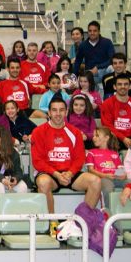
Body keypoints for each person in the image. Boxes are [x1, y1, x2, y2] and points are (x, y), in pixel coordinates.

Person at [30, 98, 101, 234]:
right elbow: (37, 161)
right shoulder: (39, 131)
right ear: (49, 113)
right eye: (54, 110)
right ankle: (53, 223)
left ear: (66, 112)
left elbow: (79, 158)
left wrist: (70, 173)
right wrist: (56, 174)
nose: (58, 114)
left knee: (95, 181)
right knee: (43, 182)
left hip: (70, 173)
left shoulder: (74, 132)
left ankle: (80, 225)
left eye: (61, 110)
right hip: (50, 174)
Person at [101, 74, 131, 149]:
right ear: (114, 87)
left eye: (125, 84)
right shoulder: (107, 103)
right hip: (114, 138)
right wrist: (123, 138)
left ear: (130, 86)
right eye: (119, 84)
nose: (123, 87)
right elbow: (107, 126)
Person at [87, 127, 127, 206]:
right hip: (102, 178)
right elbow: (90, 170)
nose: (94, 138)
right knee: (108, 189)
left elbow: (120, 169)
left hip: (115, 177)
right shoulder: (91, 152)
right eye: (94, 136)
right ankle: (107, 212)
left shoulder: (114, 153)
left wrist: (122, 175)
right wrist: (105, 175)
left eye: (97, 135)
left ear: (106, 138)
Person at [73, 21, 114, 86]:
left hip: (104, 71)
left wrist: (98, 67)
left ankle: (115, 89)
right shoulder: (83, 45)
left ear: (99, 31)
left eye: (95, 31)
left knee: (112, 68)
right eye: (90, 31)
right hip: (90, 73)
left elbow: (112, 59)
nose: (92, 33)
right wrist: (74, 76)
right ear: (88, 32)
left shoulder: (107, 42)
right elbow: (78, 61)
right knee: (83, 79)